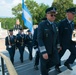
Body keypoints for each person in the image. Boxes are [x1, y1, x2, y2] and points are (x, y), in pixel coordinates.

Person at [37, 7, 60, 75]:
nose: (53, 16)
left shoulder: (55, 25)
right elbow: (39, 38)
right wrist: (43, 51)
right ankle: (44, 71)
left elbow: (57, 36)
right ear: (47, 15)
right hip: (45, 49)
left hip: (53, 49)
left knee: (56, 61)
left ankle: (45, 69)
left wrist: (58, 46)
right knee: (44, 67)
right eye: (51, 15)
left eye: (54, 15)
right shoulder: (42, 25)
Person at [55, 7, 76, 72]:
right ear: (68, 14)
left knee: (74, 53)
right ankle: (57, 66)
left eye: (74, 14)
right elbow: (58, 35)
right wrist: (59, 45)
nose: (74, 15)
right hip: (63, 44)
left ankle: (67, 63)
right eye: (73, 13)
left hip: (71, 43)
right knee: (59, 56)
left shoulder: (72, 23)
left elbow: (73, 33)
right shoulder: (62, 23)